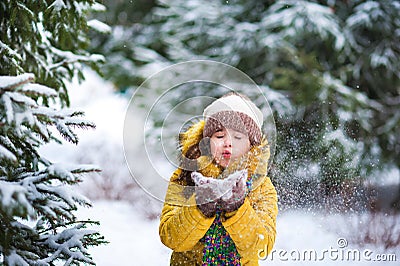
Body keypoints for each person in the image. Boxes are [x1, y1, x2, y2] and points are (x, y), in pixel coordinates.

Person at [159, 92, 278, 265]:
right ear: (206, 141)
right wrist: (201, 206)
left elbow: (261, 247)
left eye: (238, 136)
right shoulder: (185, 177)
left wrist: (236, 208)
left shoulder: (261, 187)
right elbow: (170, 238)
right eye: (220, 136)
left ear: (251, 146)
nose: (228, 143)